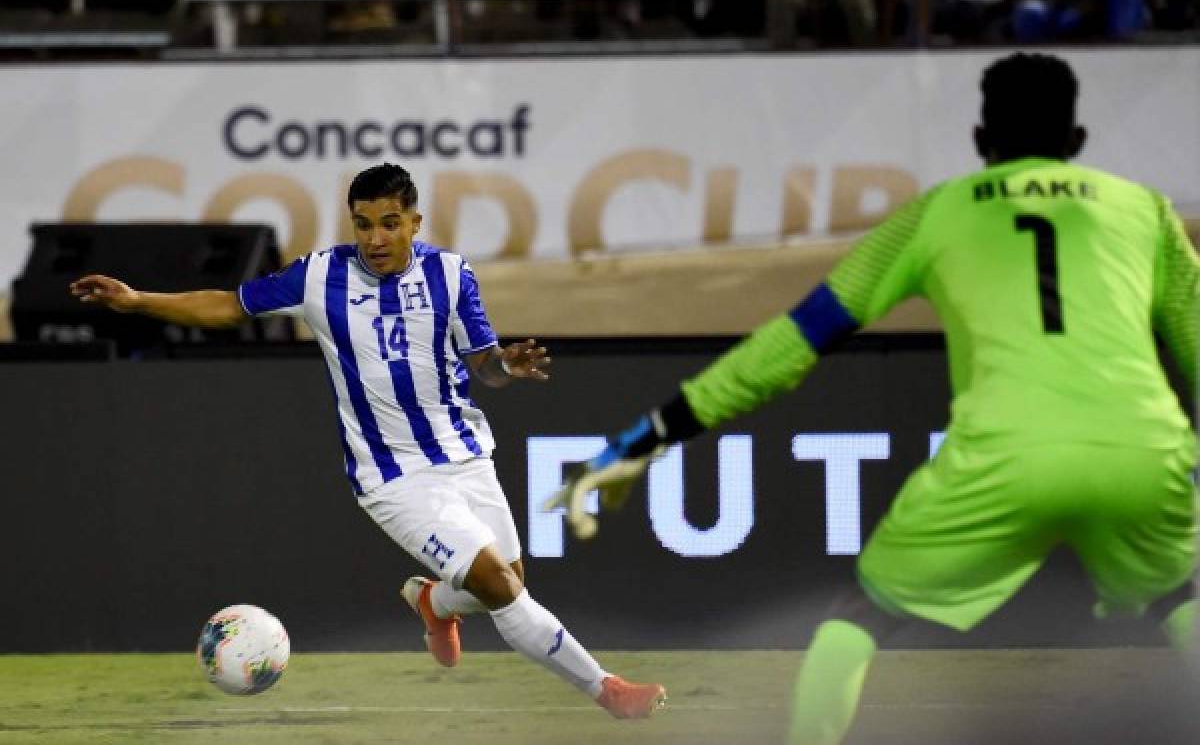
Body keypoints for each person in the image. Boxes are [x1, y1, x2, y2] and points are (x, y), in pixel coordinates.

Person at [547, 53, 1198, 743]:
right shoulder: (1145, 210)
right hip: (1144, 451)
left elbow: (790, 346)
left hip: (1005, 455)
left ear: (981, 142)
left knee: (859, 617)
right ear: (1076, 144)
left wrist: (646, 438)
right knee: (1175, 595)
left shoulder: (935, 213)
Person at [70, 162, 666, 720]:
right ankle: (606, 689)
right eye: (362, 224)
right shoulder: (318, 274)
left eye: (388, 223)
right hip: (393, 476)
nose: (375, 238)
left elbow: (483, 365)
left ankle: (433, 604)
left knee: (505, 586)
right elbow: (230, 306)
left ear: (415, 222)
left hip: (466, 455)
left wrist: (506, 364)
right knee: (498, 586)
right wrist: (138, 300)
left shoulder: (451, 274)